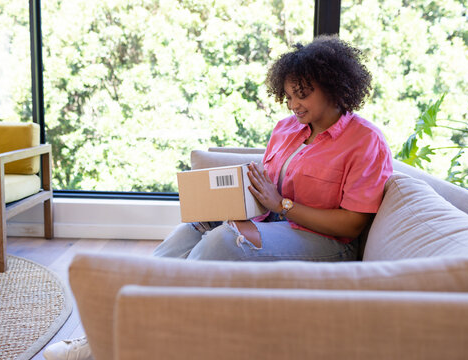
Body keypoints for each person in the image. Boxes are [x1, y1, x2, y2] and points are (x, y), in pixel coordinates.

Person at [43, 34, 393, 360]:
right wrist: (228, 204)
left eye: (302, 94)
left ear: (333, 87)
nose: (293, 105)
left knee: (226, 241)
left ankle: (120, 339)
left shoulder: (365, 142)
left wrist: (281, 206)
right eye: (288, 95)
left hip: (327, 242)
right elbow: (267, 188)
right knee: (190, 232)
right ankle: (103, 331)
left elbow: (352, 222)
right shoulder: (287, 129)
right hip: (273, 225)